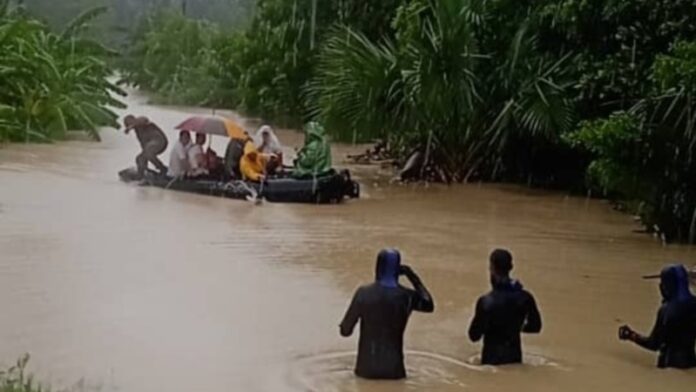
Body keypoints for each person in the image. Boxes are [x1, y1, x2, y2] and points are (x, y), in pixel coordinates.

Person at [339, 249, 434, 380]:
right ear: (398, 271)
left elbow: (345, 331)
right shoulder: (407, 296)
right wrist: (412, 275)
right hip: (394, 372)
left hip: (365, 371)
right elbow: (429, 305)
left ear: (377, 267)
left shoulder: (363, 293)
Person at [468, 249, 542, 365]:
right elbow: (536, 327)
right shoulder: (525, 298)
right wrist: (517, 327)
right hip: (515, 361)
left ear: (492, 268)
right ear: (511, 267)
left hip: (490, 365)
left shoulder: (486, 302)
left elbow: (473, 336)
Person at [618, 264, 696, 369]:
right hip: (691, 362)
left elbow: (654, 344)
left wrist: (631, 335)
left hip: (670, 364)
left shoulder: (667, 311)